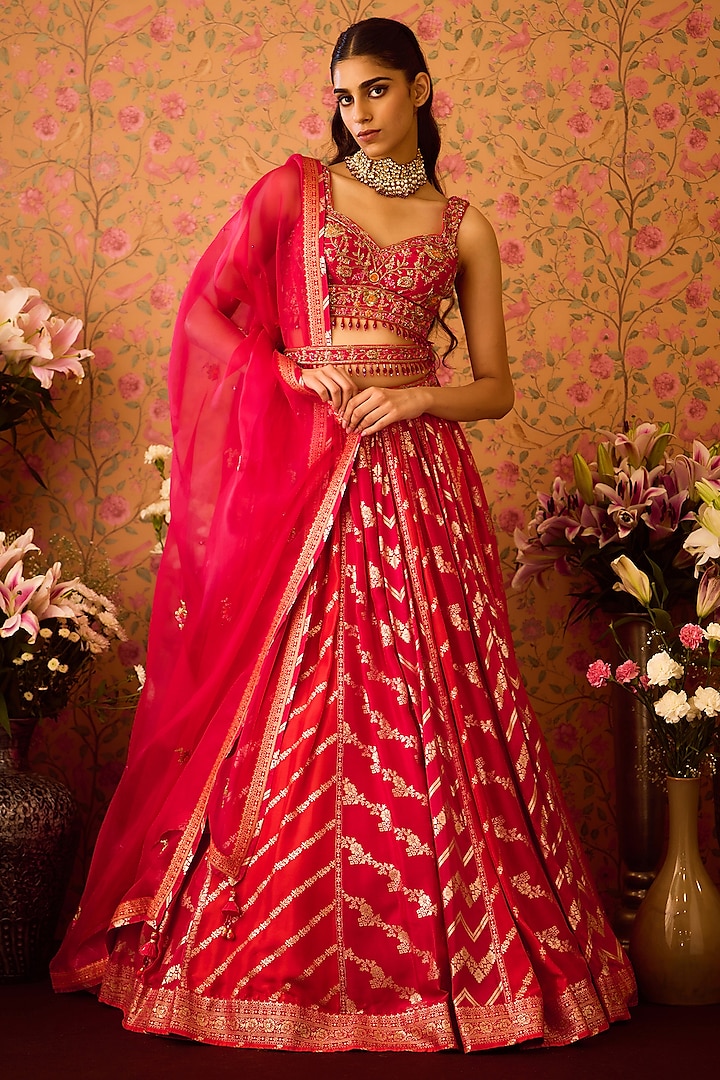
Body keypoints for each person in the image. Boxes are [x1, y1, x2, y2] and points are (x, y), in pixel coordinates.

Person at [51, 18, 635, 1051]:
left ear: (421, 88)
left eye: (374, 90)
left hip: (420, 490)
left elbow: (494, 387)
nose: (356, 112)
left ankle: (450, 959)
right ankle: (278, 951)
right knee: (304, 699)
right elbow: (205, 316)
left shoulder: (465, 228)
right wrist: (287, 373)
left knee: (435, 705)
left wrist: (412, 403)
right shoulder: (294, 193)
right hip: (306, 477)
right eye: (342, 95)